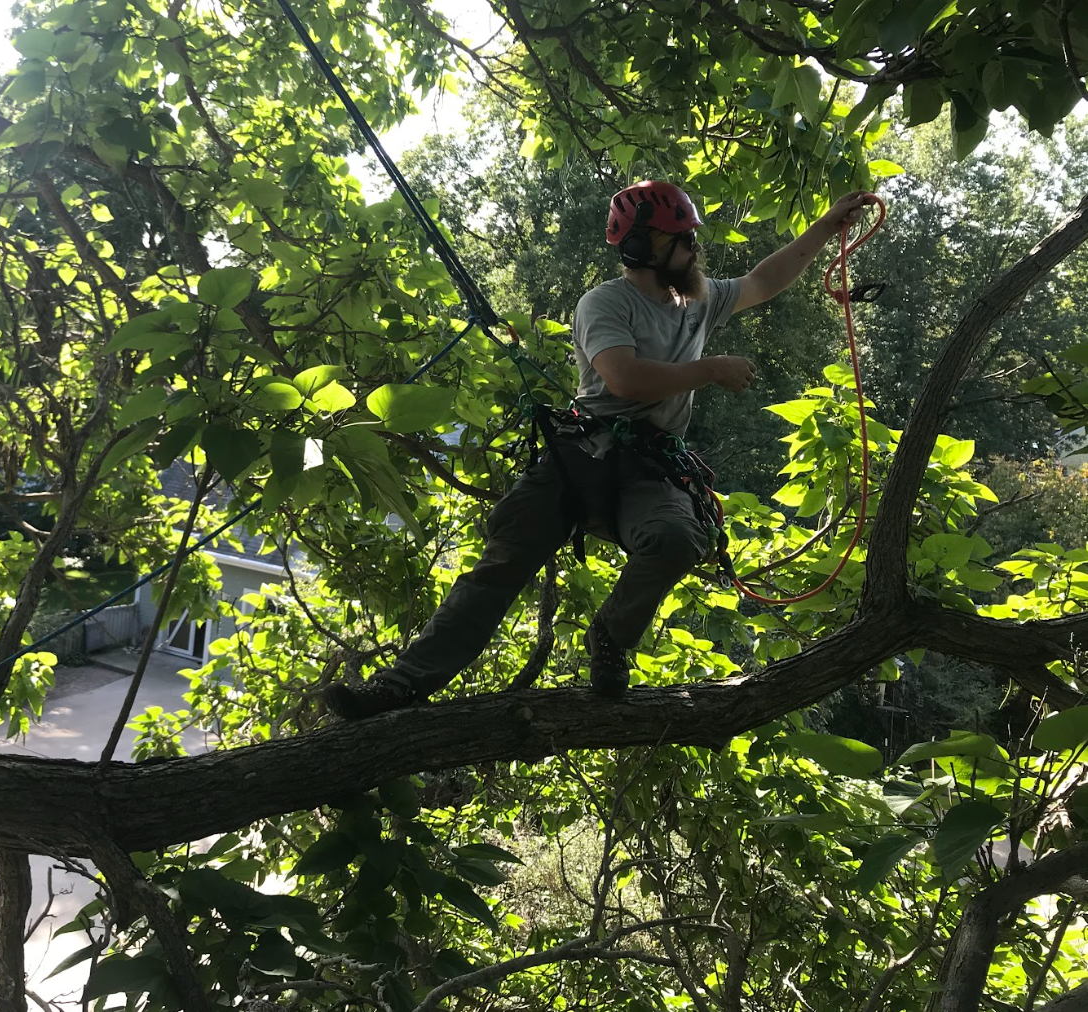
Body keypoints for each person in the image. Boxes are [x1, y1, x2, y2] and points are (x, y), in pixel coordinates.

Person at [323, 180, 877, 720]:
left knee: (677, 538)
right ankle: (400, 685)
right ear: (644, 247)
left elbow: (762, 280)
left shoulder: (698, 301)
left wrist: (828, 224)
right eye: (682, 238)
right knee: (502, 565)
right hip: (581, 455)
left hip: (651, 465)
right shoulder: (605, 303)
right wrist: (709, 369)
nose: (694, 248)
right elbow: (624, 378)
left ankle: (610, 636)